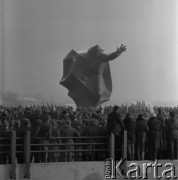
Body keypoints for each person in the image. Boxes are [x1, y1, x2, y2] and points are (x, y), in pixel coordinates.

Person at [60, 44, 126, 107]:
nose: (98, 53)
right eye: (96, 51)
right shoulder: (88, 57)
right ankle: (87, 105)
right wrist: (83, 75)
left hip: (97, 76)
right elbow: (84, 67)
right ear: (93, 52)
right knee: (87, 91)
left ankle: (93, 107)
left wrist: (118, 52)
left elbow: (110, 56)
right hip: (87, 77)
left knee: (98, 94)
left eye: (99, 51)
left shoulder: (102, 57)